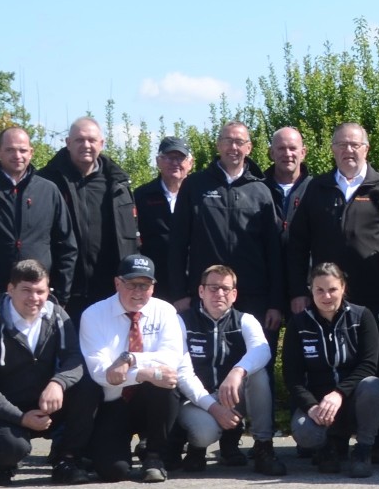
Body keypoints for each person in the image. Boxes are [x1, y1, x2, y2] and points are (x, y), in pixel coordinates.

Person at [284, 122, 379, 462]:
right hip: (326, 299)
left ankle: (378, 443)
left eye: (355, 145)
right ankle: (331, 438)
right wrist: (298, 290)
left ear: (366, 149)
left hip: (376, 297)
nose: (348, 151)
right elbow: (297, 245)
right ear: (333, 149)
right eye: (341, 145)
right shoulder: (317, 188)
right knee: (327, 366)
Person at [78, 254, 210, 483]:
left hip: (151, 399)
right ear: (117, 283)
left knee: (165, 380)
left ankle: (155, 455)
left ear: (153, 286)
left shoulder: (166, 311)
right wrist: (142, 373)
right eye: (131, 285)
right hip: (113, 401)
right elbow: (100, 372)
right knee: (114, 471)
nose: (138, 292)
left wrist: (130, 359)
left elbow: (170, 359)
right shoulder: (93, 314)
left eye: (145, 285)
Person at [0, 260, 85, 486]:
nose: (34, 298)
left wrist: (58, 383)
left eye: (40, 291)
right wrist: (21, 418)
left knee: (86, 386)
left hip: (46, 401)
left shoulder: (58, 316)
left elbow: (74, 358)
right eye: (26, 291)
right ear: (10, 290)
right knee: (11, 447)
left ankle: (66, 460)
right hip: (5, 410)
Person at [172, 121, 284, 335]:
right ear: (218, 145)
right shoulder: (194, 185)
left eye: (239, 142)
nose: (234, 147)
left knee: (255, 361)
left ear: (249, 148)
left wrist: (275, 303)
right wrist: (179, 294)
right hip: (206, 294)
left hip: (253, 297)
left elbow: (274, 251)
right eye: (228, 141)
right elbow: (178, 243)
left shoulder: (262, 190)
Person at [176, 265, 284, 475]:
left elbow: (263, 351)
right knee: (204, 432)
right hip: (196, 400)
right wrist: (213, 407)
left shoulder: (245, 320)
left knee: (259, 373)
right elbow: (183, 374)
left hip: (231, 396)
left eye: (225, 289)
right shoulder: (182, 321)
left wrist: (238, 371)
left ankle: (264, 446)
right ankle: (197, 449)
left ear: (234, 294)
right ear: (201, 291)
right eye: (213, 288)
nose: (219, 294)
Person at [0, 126, 77, 320]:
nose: (17, 155)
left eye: (22, 150)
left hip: (38, 295)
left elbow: (66, 246)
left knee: (38, 350)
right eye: (10, 149)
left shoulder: (48, 191)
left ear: (31, 152)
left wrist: (61, 294)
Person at [286, 262, 379, 478]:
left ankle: (363, 451)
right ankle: (327, 448)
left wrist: (339, 393)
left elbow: (369, 364)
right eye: (319, 290)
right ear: (311, 291)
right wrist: (311, 406)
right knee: (304, 431)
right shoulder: (298, 323)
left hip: (352, 400)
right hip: (318, 406)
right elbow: (292, 376)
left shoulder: (362, 317)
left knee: (374, 386)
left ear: (343, 287)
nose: (326, 296)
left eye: (332, 289)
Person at [40, 116, 139, 315]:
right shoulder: (47, 182)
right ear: (68, 143)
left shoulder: (118, 184)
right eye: (79, 140)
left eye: (92, 140)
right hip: (64, 291)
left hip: (110, 291)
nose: (86, 145)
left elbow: (132, 239)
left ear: (101, 144)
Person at [133, 136, 195, 303]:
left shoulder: (200, 195)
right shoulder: (141, 195)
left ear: (191, 163)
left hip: (193, 284)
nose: (174, 162)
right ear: (158, 161)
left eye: (180, 158)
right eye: (168, 157)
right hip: (154, 282)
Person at [265, 126, 313, 221]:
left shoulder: (315, 190)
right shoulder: (258, 189)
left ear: (303, 153)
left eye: (292, 148)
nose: (287, 154)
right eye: (281, 148)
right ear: (272, 153)